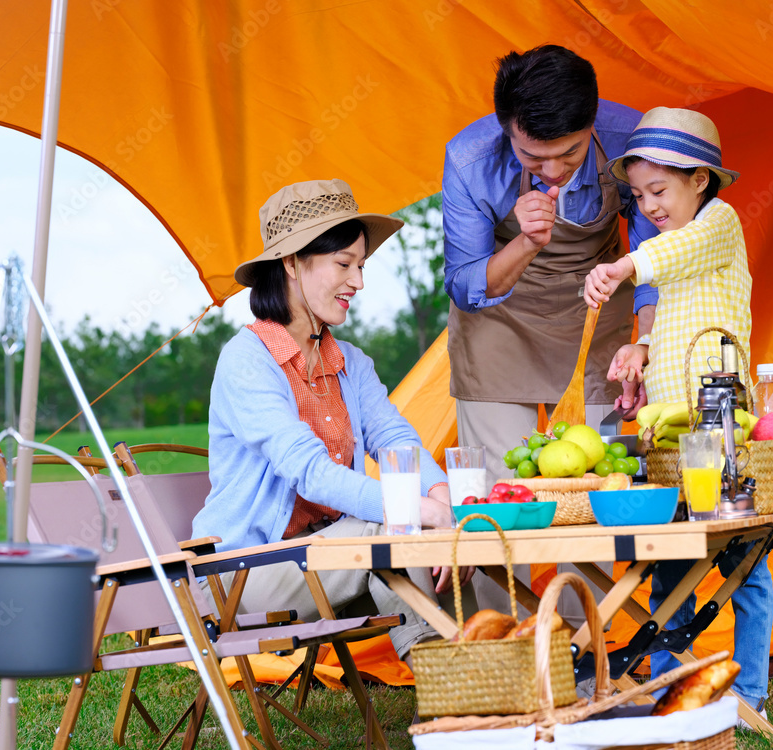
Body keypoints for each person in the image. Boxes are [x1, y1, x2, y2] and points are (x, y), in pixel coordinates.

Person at [193, 178, 475, 664]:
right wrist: (417, 513)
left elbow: (394, 438)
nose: (358, 282)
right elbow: (309, 471)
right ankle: (457, 689)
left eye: (361, 266)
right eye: (344, 264)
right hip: (242, 577)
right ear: (291, 264)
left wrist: (443, 499)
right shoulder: (246, 360)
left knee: (430, 531)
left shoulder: (350, 362)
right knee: (397, 531)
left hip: (327, 557)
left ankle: (480, 681)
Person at [442, 44, 659, 624]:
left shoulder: (632, 136)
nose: (555, 170)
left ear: (592, 125)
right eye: (533, 158)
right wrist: (523, 243)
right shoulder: (467, 159)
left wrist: (647, 346)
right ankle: (503, 645)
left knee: (598, 491)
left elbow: (654, 261)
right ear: (506, 129)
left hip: (598, 316)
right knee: (494, 498)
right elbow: (465, 284)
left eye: (569, 153)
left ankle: (592, 646)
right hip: (499, 326)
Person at [584, 107, 769, 716]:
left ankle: (750, 694)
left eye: (658, 190)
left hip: (719, 420)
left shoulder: (720, 222)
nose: (649, 206)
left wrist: (620, 266)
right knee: (672, 559)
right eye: (638, 195)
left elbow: (677, 253)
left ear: (701, 179)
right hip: (671, 424)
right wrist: (641, 357)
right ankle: (668, 685)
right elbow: (669, 319)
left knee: (741, 557)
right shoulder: (665, 248)